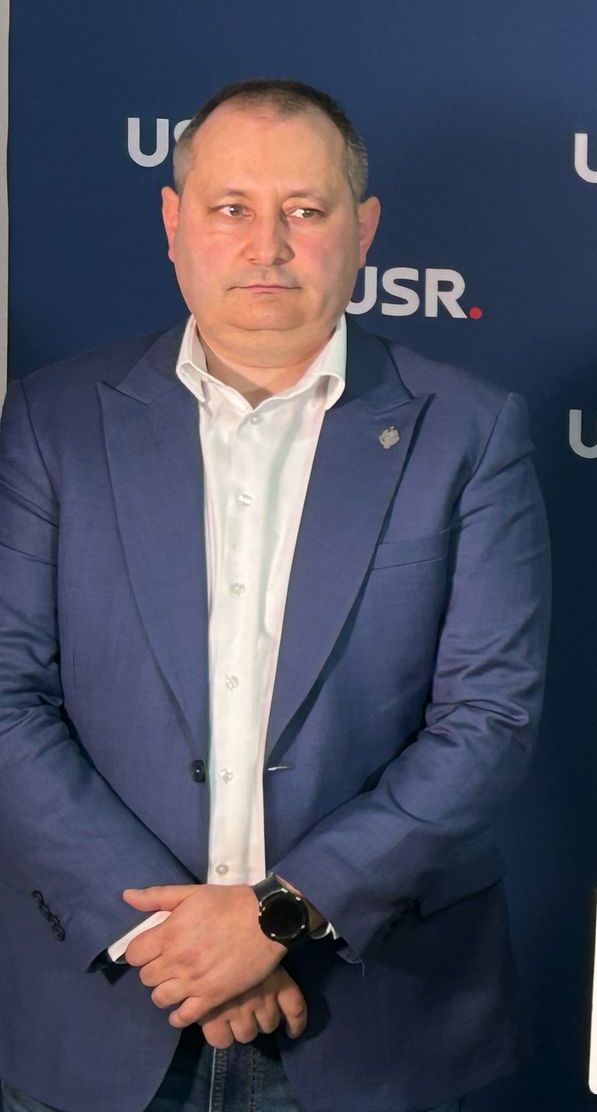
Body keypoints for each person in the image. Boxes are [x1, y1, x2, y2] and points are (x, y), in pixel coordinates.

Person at [0, 80, 551, 1112]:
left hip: (372, 1022)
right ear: (173, 223)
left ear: (363, 229)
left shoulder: (468, 432)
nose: (268, 245)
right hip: (106, 1009)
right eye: (232, 209)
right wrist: (177, 941)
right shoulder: (50, 422)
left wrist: (274, 920)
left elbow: (488, 720)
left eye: (304, 210)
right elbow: (6, 696)